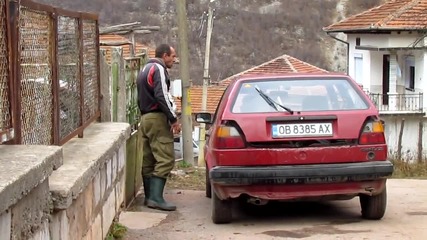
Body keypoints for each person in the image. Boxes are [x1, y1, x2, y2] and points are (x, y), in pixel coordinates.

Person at [136, 44, 181, 211]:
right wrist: (173, 119)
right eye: (172, 56)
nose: (174, 59)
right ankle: (156, 198)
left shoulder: (144, 69)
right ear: (164, 55)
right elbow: (161, 95)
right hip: (157, 118)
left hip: (145, 117)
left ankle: (149, 197)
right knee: (165, 158)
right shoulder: (159, 69)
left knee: (148, 159)